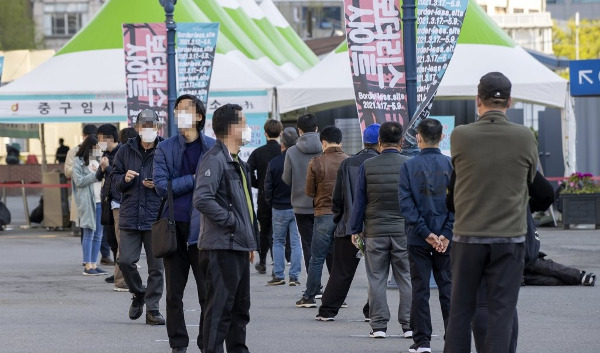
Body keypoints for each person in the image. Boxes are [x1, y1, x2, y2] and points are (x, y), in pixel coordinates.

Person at [443, 72, 538, 353]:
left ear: (477, 100)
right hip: (509, 238)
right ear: (510, 101)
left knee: (460, 310)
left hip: (468, 237)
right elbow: (532, 180)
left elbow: (458, 176)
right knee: (501, 312)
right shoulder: (524, 137)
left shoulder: (461, 135)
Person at [193, 103, 259, 353]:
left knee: (239, 310)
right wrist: (232, 223)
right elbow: (202, 199)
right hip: (221, 247)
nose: (247, 128)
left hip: (237, 246)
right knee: (219, 311)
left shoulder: (237, 162)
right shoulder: (215, 158)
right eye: (243, 122)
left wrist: (248, 241)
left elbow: (244, 206)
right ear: (233, 128)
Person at [153, 94, 216, 353]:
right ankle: (178, 344)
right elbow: (160, 187)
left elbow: (218, 186)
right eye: (178, 109)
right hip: (174, 227)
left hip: (203, 229)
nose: (181, 114)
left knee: (207, 293)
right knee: (174, 294)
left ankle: (205, 342)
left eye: (187, 110)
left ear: (199, 116)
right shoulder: (165, 147)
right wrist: (193, 177)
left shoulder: (213, 148)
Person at [349, 121, 412, 339]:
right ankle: (409, 325)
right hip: (403, 232)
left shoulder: (368, 166)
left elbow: (359, 201)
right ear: (401, 141)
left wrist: (355, 229)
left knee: (376, 278)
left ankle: (378, 326)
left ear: (379, 142)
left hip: (375, 231)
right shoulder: (408, 164)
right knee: (406, 277)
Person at [398, 118, 453, 353]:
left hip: (418, 237)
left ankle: (422, 342)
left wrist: (425, 232)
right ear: (442, 136)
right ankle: (454, 339)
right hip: (447, 239)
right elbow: (459, 203)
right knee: (449, 288)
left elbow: (406, 204)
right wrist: (445, 233)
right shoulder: (452, 165)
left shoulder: (408, 167)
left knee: (420, 289)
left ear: (418, 137)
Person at [316, 123, 380, 321]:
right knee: (377, 272)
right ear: (381, 142)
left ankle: (327, 311)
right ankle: (372, 311)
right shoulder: (382, 163)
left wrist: (340, 218)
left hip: (348, 225)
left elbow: (338, 197)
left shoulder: (349, 162)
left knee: (341, 271)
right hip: (377, 227)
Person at [112, 109, 165, 326]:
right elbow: (114, 181)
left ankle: (153, 310)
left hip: (156, 215)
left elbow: (173, 179)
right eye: (144, 126)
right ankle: (139, 293)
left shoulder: (165, 149)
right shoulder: (125, 150)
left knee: (157, 267)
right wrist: (124, 178)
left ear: (158, 127)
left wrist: (158, 184)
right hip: (131, 215)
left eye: (152, 126)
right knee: (125, 261)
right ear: (137, 128)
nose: (148, 130)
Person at [296, 126, 347, 307]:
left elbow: (309, 191)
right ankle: (339, 298)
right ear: (341, 142)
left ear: (323, 142)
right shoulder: (349, 161)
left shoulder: (316, 162)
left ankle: (309, 296)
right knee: (339, 259)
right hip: (343, 217)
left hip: (323, 214)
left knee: (317, 258)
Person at [282, 113, 323, 273]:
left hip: (301, 206)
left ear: (300, 131)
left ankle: (314, 284)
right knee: (325, 244)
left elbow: (286, 178)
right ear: (316, 128)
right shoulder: (325, 149)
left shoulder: (291, 152)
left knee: (307, 244)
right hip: (323, 205)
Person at [264, 127, 302, 286]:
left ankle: (279, 275)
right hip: (298, 207)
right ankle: (294, 277)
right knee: (295, 242)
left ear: (282, 143)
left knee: (278, 241)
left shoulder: (274, 162)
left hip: (279, 207)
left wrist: (270, 201)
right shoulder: (300, 161)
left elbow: (268, 186)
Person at [247, 119, 283, 274]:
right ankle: (278, 264)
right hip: (282, 197)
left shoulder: (258, 152)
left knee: (265, 229)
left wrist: (257, 184)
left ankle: (262, 261)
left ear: (265, 133)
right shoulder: (284, 152)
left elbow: (247, 170)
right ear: (280, 133)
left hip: (263, 196)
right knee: (279, 232)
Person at [105, 127, 139, 290]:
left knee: (122, 245)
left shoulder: (120, 154)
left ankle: (122, 278)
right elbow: (115, 181)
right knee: (122, 246)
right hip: (119, 204)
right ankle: (120, 280)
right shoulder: (123, 155)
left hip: (120, 204)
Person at [71, 135, 107, 276]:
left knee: (98, 234)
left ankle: (94, 263)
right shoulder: (78, 161)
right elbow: (79, 181)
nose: (98, 150)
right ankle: (87, 264)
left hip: (100, 200)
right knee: (89, 233)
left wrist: (104, 170)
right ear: (90, 147)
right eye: (96, 147)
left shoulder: (99, 161)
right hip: (87, 201)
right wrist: (96, 175)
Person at [94, 124, 124, 288]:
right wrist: (101, 166)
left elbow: (118, 175)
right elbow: (99, 176)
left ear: (109, 138)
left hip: (119, 200)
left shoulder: (122, 152)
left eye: (100, 138)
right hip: (107, 200)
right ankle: (116, 272)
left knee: (121, 241)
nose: (99, 142)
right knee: (111, 239)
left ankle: (122, 275)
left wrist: (108, 167)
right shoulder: (103, 154)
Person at [65, 124, 98, 236]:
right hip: (82, 193)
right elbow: (67, 170)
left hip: (97, 194)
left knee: (99, 232)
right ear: (83, 136)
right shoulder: (74, 151)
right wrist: (79, 169)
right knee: (85, 230)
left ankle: (104, 253)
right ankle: (88, 252)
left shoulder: (98, 150)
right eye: (88, 137)